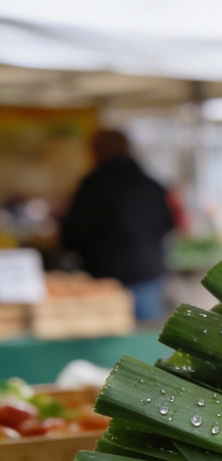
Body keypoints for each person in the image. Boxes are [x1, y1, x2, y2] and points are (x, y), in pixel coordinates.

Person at [59, 128, 177, 322]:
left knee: (108, 345)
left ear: (97, 150)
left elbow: (74, 232)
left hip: (105, 279)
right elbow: (169, 224)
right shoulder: (149, 183)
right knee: (146, 342)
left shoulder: (93, 185)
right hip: (148, 273)